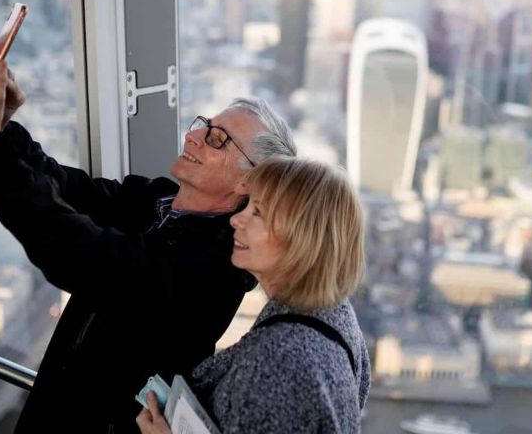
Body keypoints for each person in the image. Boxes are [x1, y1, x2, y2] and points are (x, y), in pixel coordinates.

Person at [0, 45, 297, 432]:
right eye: (204, 124)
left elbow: (85, 258)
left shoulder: (215, 268)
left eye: (217, 139)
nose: (194, 134)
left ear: (249, 180)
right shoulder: (156, 200)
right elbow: (63, 187)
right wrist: (0, 126)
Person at [136, 156, 369, 434]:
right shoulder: (337, 318)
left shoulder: (279, 362)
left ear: (302, 237)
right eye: (246, 206)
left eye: (257, 212)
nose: (236, 219)